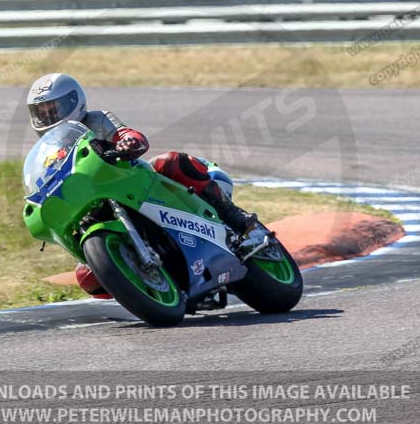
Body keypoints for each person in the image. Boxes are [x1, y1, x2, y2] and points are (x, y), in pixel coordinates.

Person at [27, 73, 257, 297]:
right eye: (41, 112)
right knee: (88, 277)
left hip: (131, 182)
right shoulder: (48, 152)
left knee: (172, 162)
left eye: (53, 108)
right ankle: (144, 280)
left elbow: (126, 133)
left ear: (73, 101)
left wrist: (128, 141)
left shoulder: (97, 120)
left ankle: (233, 217)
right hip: (93, 203)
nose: (47, 116)